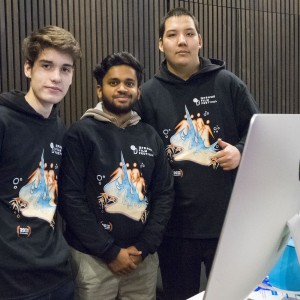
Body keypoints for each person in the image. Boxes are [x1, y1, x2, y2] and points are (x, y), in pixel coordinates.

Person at [135, 7, 260, 300]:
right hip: (175, 230)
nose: (182, 41)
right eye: (172, 35)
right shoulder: (148, 95)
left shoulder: (226, 83)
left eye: (189, 34)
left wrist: (241, 153)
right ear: (160, 44)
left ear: (200, 41)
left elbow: (259, 133)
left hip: (228, 225)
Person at [58, 51, 174, 300]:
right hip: (92, 261)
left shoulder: (151, 136)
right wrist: (109, 251)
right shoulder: (80, 134)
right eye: (114, 83)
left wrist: (143, 248)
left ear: (138, 91)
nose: (122, 88)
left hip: (141, 261)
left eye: (129, 83)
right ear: (100, 90)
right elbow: (70, 198)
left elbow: (164, 194)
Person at [0, 26, 81, 299]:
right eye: (46, 65)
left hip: (56, 275)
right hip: (11, 281)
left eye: (65, 69)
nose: (56, 77)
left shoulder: (60, 129)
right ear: (28, 68)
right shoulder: (4, 120)